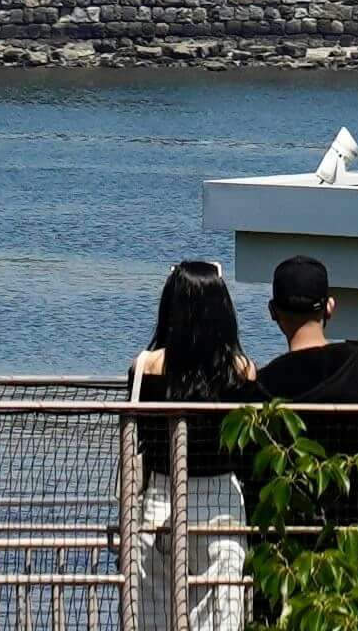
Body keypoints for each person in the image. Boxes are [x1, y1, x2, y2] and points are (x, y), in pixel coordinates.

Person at [124, 259, 255, 631]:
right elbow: (246, 449)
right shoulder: (240, 370)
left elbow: (140, 440)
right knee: (221, 616)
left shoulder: (146, 367)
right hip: (221, 503)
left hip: (159, 498)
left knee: (152, 616)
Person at [244, 255, 358, 558]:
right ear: (329, 307)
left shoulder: (263, 385)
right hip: (353, 533)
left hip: (282, 541)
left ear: (273, 312)